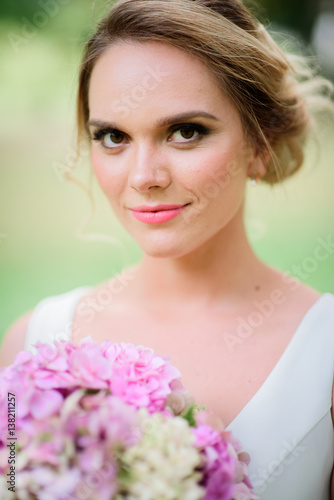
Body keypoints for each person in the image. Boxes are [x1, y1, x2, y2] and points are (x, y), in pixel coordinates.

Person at [0, 0, 333, 497]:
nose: (143, 178)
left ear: (259, 145)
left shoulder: (326, 354)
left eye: (185, 132)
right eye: (113, 136)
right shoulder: (34, 345)